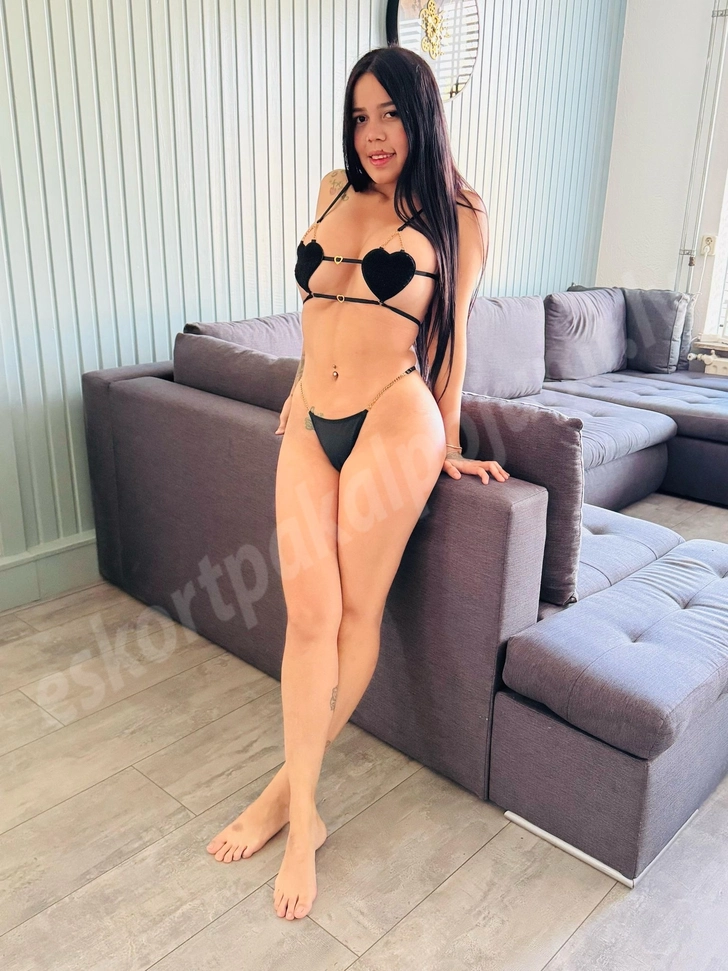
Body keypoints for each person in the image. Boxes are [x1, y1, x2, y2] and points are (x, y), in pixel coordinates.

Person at [206, 45, 508, 921]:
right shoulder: (332, 189)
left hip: (395, 417)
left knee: (352, 613)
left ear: (424, 116)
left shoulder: (459, 212)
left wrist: (450, 440)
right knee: (306, 612)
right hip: (311, 415)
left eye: (392, 114)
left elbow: (452, 337)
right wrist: (300, 388)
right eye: (360, 116)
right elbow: (319, 311)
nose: (374, 134)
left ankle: (291, 811)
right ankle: (302, 804)